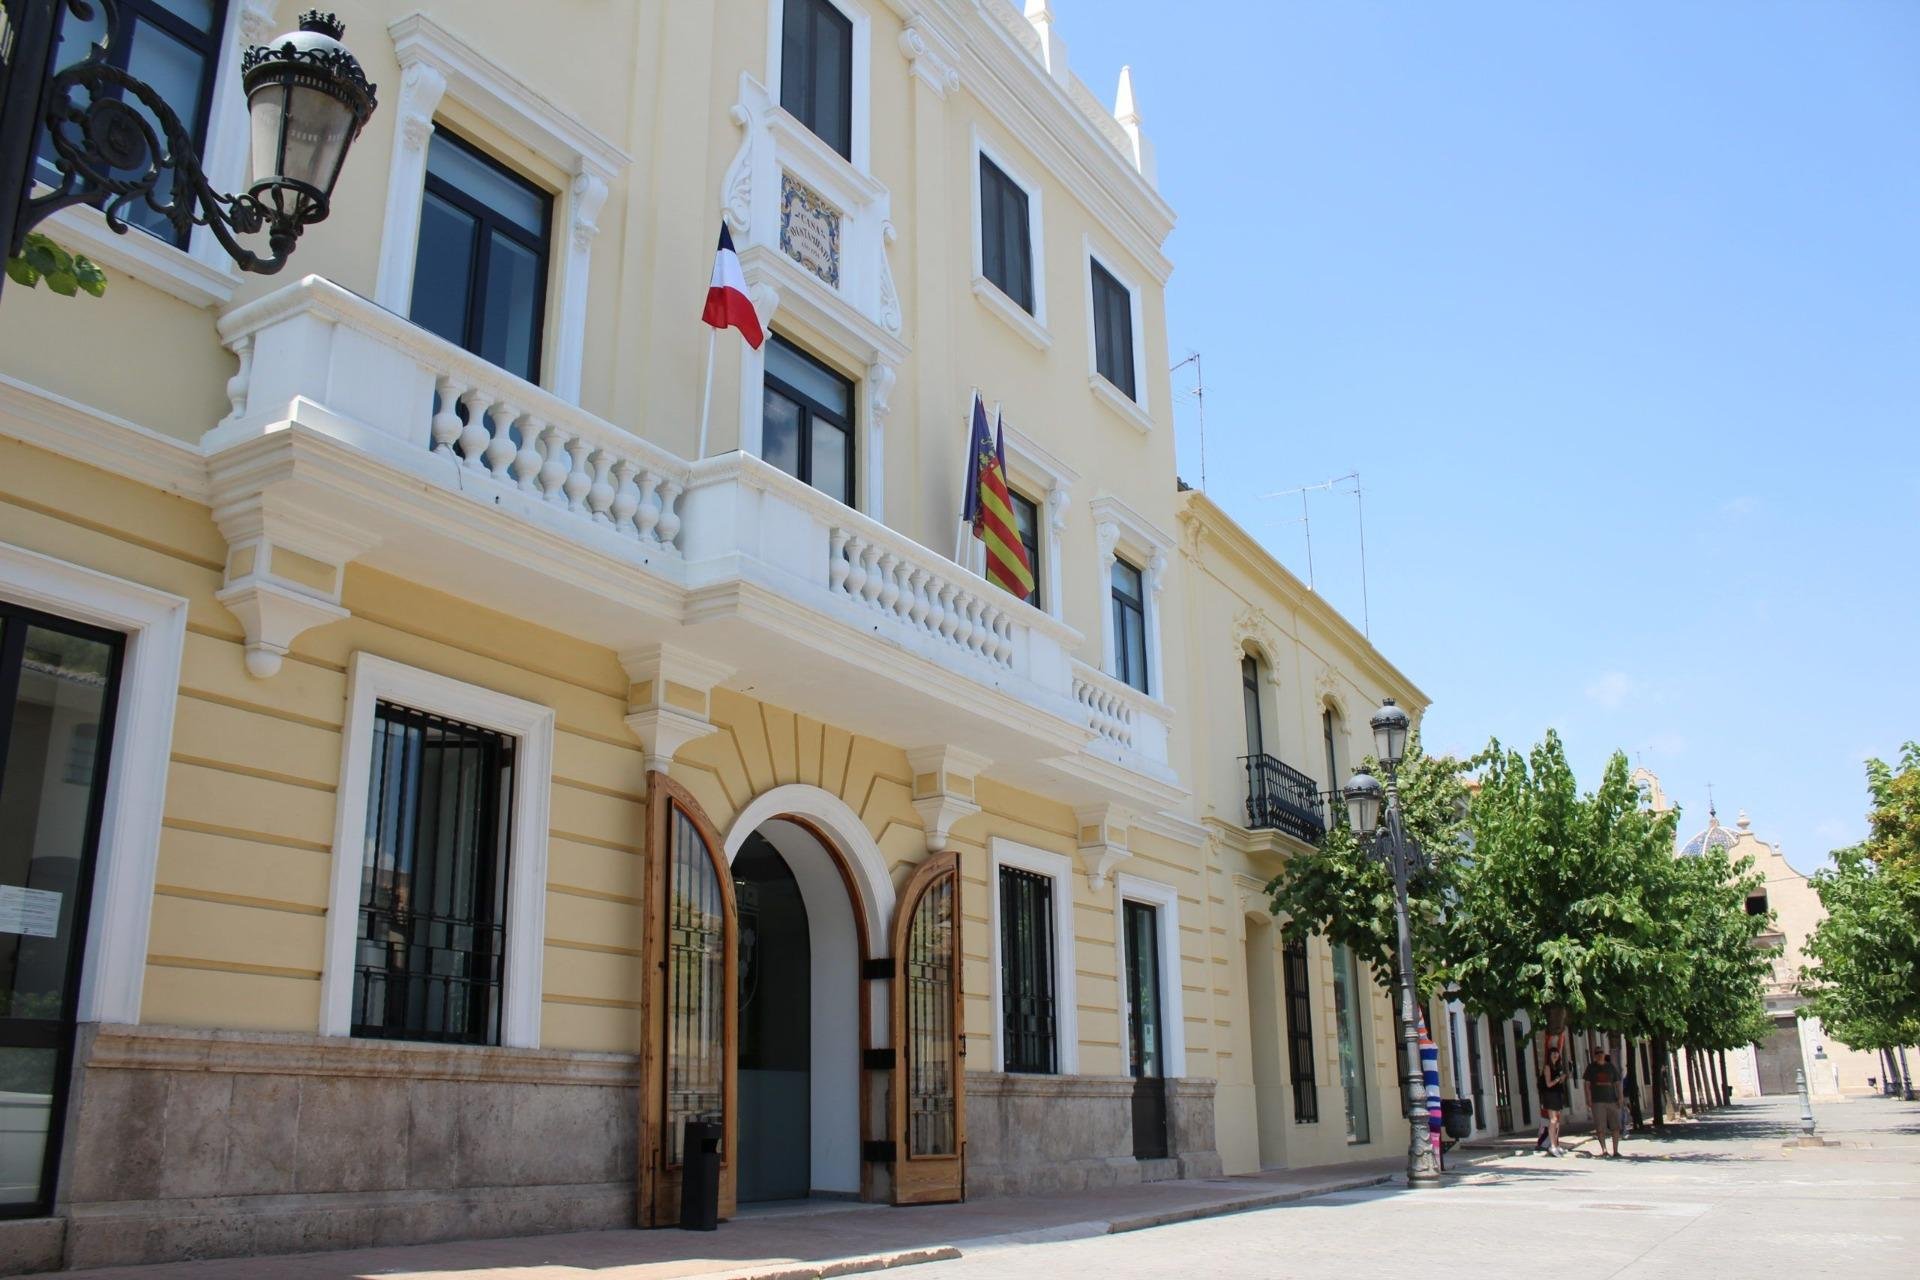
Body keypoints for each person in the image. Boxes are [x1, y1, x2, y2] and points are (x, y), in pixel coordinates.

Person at [1586, 1045, 1624, 1157]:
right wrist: (1588, 1098)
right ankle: (1604, 1150)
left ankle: (1615, 1150)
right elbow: (1587, 1084)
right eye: (1597, 1053)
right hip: (1597, 1101)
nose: (1599, 1055)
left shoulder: (1611, 1067)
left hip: (1612, 1100)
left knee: (1615, 1126)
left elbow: (1617, 1083)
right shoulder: (1591, 1068)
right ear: (1594, 1055)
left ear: (1604, 1054)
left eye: (1601, 1052)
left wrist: (1620, 1097)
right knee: (1600, 1126)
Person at [1539, 1038, 1570, 1156]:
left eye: (1557, 1053)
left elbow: (1558, 1083)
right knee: (1553, 1120)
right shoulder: (1548, 1067)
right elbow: (1548, 1084)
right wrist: (1558, 1079)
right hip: (1550, 1095)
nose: (1555, 1055)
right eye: (1553, 1053)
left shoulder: (1558, 1067)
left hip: (1557, 1094)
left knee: (1557, 1121)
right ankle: (1552, 1145)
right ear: (1550, 1055)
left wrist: (1562, 1079)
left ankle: (1556, 1144)